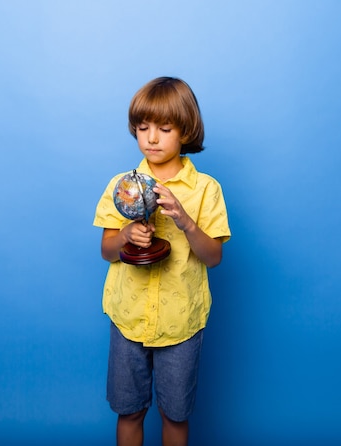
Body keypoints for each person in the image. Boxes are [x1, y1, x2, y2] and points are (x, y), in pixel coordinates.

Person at [93, 77, 231, 446]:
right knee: (130, 410)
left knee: (175, 413)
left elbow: (214, 257)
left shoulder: (206, 190)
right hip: (129, 316)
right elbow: (106, 250)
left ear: (185, 131)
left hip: (180, 322)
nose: (151, 138)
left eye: (164, 129)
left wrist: (185, 221)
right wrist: (124, 235)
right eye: (142, 128)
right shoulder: (121, 186)